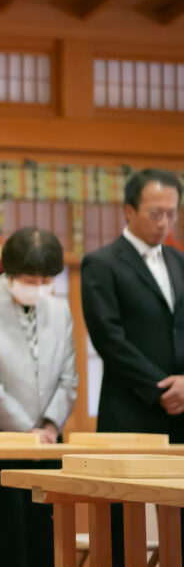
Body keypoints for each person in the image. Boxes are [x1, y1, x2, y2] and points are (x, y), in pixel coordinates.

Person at [82, 167, 184, 566]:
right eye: (155, 213)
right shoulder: (102, 263)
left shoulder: (179, 262)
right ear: (128, 210)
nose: (165, 222)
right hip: (130, 411)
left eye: (172, 214)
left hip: (181, 411)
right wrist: (163, 389)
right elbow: (109, 340)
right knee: (123, 526)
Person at [0, 226, 77, 567]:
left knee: (45, 541)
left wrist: (49, 425)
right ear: (11, 273)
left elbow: (69, 378)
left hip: (48, 442)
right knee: (0, 542)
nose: (40, 288)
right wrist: (26, 429)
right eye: (31, 279)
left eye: (47, 281)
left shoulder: (59, 311)